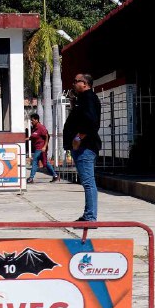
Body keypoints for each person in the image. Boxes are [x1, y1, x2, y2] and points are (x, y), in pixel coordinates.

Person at [63, 73, 101, 222]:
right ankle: (88, 214)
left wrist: (79, 137)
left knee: (88, 183)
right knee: (87, 182)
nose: (73, 84)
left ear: (84, 83)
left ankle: (91, 216)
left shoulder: (88, 98)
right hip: (82, 147)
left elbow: (92, 122)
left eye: (76, 81)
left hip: (85, 147)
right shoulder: (82, 99)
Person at [26, 113, 59, 183]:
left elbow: (47, 136)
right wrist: (24, 139)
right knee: (46, 163)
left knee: (35, 161)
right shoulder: (35, 128)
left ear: (36, 120)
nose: (31, 122)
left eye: (32, 120)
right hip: (37, 148)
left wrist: (44, 146)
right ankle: (55, 175)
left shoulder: (41, 127)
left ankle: (31, 178)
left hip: (41, 148)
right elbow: (32, 137)